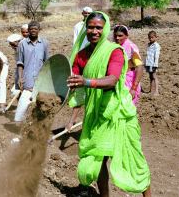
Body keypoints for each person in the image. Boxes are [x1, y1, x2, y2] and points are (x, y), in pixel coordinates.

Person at [67, 12, 151, 197]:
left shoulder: (114, 51)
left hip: (118, 113)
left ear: (104, 29)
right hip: (96, 114)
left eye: (98, 27)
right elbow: (72, 79)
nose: (94, 31)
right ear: (85, 28)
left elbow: (112, 80)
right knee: (99, 157)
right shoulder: (81, 55)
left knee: (131, 158)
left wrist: (86, 82)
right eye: (90, 27)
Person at [15, 21, 49, 123]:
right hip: (27, 79)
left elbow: (47, 62)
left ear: (39, 30)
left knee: (39, 106)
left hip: (41, 79)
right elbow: (20, 63)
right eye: (31, 29)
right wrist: (20, 78)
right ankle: (20, 124)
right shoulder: (22, 44)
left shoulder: (44, 43)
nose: (33, 31)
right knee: (23, 106)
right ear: (28, 31)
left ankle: (35, 126)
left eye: (35, 29)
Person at [113, 25, 144, 104]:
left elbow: (139, 67)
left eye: (120, 36)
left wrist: (133, 88)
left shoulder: (131, 48)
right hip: (115, 81)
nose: (117, 38)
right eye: (115, 35)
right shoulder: (113, 46)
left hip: (128, 82)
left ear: (126, 36)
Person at [145, 31, 160, 96]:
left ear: (156, 37)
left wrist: (155, 65)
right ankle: (151, 90)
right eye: (149, 38)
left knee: (154, 76)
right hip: (149, 63)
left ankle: (156, 91)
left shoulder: (156, 46)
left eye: (152, 37)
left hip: (153, 64)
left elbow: (156, 56)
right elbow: (148, 54)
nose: (151, 39)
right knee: (150, 77)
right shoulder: (149, 44)